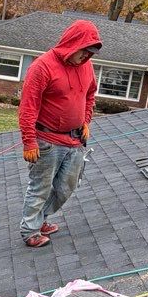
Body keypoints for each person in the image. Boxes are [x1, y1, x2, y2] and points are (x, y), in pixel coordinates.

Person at [17, 20, 102, 248]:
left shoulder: (86, 67)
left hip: (74, 139)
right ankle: (30, 231)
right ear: (73, 44)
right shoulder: (42, 67)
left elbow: (90, 95)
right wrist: (29, 141)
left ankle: (41, 218)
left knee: (66, 187)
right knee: (40, 187)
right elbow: (28, 107)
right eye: (84, 51)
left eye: (91, 52)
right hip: (46, 140)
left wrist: (85, 121)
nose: (86, 57)